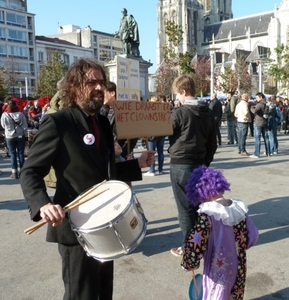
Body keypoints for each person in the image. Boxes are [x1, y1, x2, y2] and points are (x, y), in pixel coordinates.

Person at [20, 58, 155, 300]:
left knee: (103, 293)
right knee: (81, 295)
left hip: (105, 224)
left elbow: (105, 174)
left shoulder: (101, 121)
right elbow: (30, 171)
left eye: (101, 83)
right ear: (73, 86)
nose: (99, 88)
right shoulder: (58, 122)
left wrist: (137, 165)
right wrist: (43, 204)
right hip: (74, 226)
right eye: (91, 82)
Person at [181, 166, 259, 300]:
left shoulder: (208, 216)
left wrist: (189, 263)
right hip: (239, 268)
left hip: (218, 272)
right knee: (235, 295)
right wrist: (239, 248)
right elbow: (254, 235)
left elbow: (194, 243)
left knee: (217, 295)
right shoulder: (239, 210)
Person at [168, 75, 217, 257]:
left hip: (181, 165)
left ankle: (190, 248)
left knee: (185, 211)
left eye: (177, 95)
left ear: (184, 92)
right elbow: (213, 143)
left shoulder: (180, 113)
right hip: (200, 165)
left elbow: (163, 130)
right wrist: (205, 162)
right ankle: (202, 243)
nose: (177, 99)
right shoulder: (208, 112)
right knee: (199, 208)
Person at [100, 80, 138, 158]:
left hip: (117, 156)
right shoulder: (103, 109)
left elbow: (133, 137)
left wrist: (122, 153)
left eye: (104, 92)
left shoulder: (123, 111)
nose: (101, 95)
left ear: (112, 93)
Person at [1, 99, 28, 178]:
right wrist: (26, 138)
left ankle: (14, 172)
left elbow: (3, 125)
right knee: (21, 154)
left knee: (12, 154)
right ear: (16, 105)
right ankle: (22, 172)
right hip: (20, 135)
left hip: (9, 136)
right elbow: (25, 127)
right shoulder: (20, 114)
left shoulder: (4, 115)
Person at [144, 95, 166, 176]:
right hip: (161, 134)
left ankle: (152, 170)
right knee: (161, 152)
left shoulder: (149, 111)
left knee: (151, 153)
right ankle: (160, 169)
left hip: (152, 135)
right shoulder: (162, 110)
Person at [249, 92, 270, 158]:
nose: (256, 99)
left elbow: (254, 111)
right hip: (265, 122)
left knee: (257, 138)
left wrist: (251, 107)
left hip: (258, 122)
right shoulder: (267, 103)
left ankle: (256, 153)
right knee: (266, 138)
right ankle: (268, 152)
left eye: (257, 97)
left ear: (261, 97)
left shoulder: (259, 104)